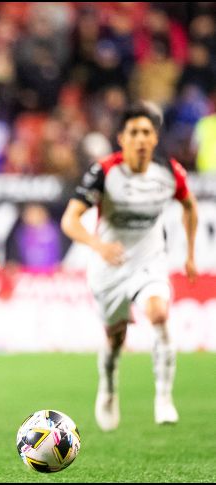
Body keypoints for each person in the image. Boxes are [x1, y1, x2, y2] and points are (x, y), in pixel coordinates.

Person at [61, 102, 198, 431]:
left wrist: (191, 255)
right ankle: (108, 387)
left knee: (159, 314)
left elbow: (190, 207)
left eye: (146, 132)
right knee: (115, 338)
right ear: (121, 139)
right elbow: (70, 220)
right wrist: (98, 245)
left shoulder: (169, 172)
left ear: (155, 138)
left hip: (149, 260)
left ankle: (163, 398)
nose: (140, 139)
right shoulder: (105, 172)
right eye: (134, 132)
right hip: (110, 265)